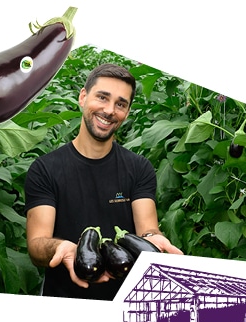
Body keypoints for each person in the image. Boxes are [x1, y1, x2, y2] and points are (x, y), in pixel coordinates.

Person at [24, 63, 183, 300]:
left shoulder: (139, 168)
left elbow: (147, 228)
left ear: (127, 112)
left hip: (127, 300)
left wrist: (151, 240)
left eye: (121, 104)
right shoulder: (45, 169)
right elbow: (37, 244)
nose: (110, 110)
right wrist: (60, 248)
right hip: (62, 299)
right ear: (83, 97)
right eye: (102, 97)